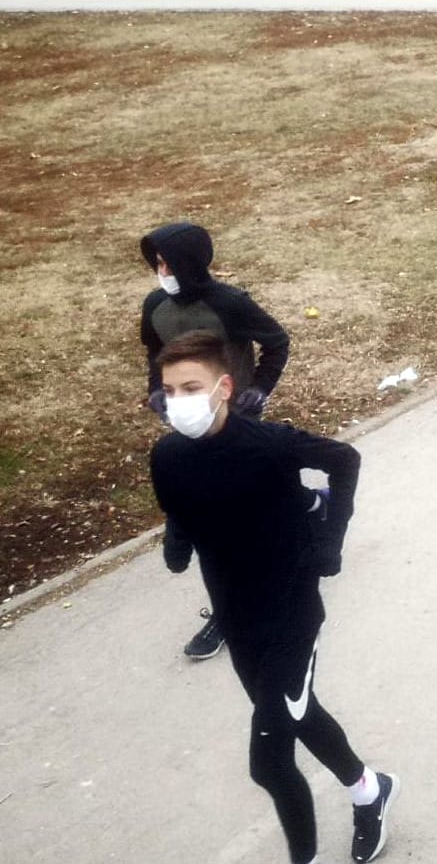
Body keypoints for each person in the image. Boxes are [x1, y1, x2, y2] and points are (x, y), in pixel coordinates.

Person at [149, 330, 398, 864]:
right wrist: (177, 545)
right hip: (235, 616)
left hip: (291, 614)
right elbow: (180, 506)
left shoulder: (267, 445)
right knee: (297, 714)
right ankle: (370, 790)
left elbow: (344, 460)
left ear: (223, 388)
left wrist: (330, 544)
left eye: (190, 388)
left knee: (269, 762)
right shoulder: (167, 456)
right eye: (168, 391)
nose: (178, 402)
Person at [141, 221, 291, 663]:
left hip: (235, 418)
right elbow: (154, 353)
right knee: (219, 513)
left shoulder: (230, 303)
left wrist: (259, 388)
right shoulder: (155, 306)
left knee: (239, 510)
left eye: (168, 263)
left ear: (190, 263)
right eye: (157, 264)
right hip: (188, 420)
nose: (161, 272)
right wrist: (158, 389)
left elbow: (277, 342)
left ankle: (296, 524)